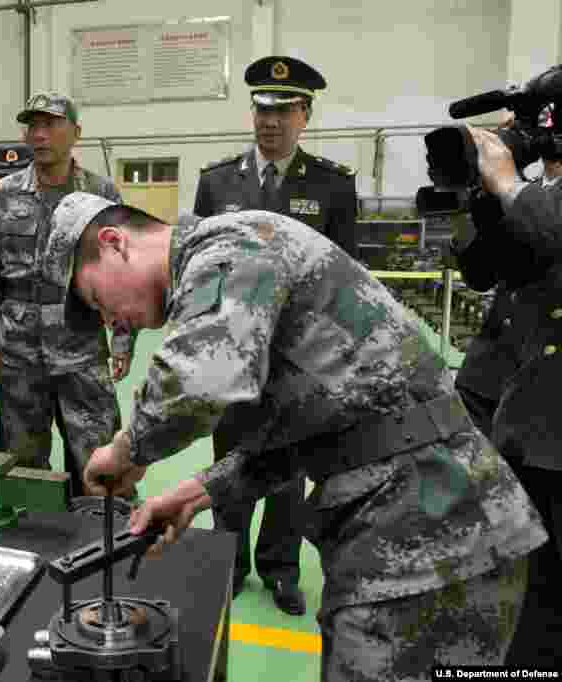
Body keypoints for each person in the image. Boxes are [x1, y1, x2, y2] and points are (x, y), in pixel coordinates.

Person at [43, 191, 545, 679]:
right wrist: (196, 493)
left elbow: (200, 380)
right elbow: (318, 430)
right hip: (431, 527)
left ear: (114, 243)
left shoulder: (232, 248)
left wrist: (128, 450)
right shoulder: (236, 261)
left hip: (427, 538)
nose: (109, 322)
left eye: (95, 300)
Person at [194, 56, 359, 615]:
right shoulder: (216, 182)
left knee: (289, 467)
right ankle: (228, 561)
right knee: (232, 457)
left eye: (285, 110)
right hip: (232, 353)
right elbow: (199, 269)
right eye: (263, 109)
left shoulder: (333, 186)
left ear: (305, 115)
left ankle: (281, 569)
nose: (271, 120)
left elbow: (347, 277)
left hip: (297, 358)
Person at [0, 93, 133, 495]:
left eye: (51, 124)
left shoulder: (102, 193)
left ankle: (101, 550)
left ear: (75, 132)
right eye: (33, 126)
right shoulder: (3, 194)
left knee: (99, 460)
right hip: (19, 353)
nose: (39, 134)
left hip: (80, 347)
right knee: (26, 467)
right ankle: (38, 550)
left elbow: (123, 273)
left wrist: (124, 338)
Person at [458, 124, 562, 667]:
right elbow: (482, 270)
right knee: (520, 581)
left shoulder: (536, 199)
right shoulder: (535, 192)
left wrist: (508, 185)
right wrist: (482, 198)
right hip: (512, 406)